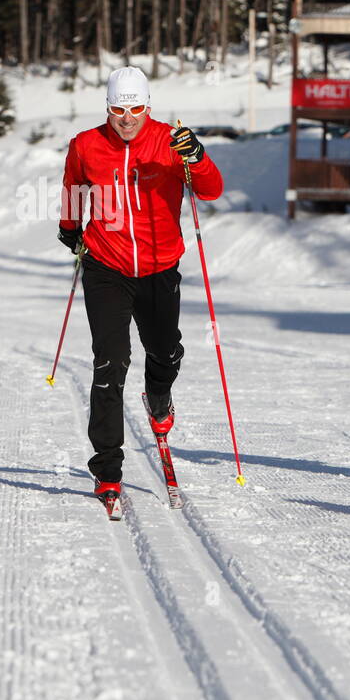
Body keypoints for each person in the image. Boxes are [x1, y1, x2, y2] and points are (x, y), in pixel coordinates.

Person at [57, 66, 223, 506]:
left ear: (148, 107)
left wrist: (197, 157)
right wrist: (70, 227)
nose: (126, 118)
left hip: (158, 265)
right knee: (109, 365)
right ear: (107, 108)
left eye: (134, 109)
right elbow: (74, 186)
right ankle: (108, 469)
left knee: (166, 350)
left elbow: (211, 190)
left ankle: (159, 395)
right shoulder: (86, 145)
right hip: (105, 266)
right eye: (117, 109)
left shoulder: (171, 141)